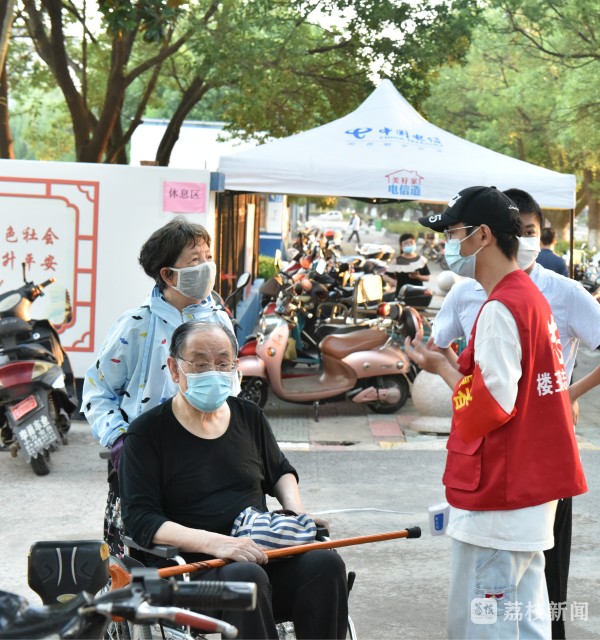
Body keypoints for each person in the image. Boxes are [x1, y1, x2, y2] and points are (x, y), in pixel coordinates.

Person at [405, 186, 587, 639]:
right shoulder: (529, 296)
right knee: (525, 621)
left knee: (486, 625)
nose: (448, 245)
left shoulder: (501, 307)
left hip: (499, 500)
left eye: (453, 234)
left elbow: (492, 405)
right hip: (524, 499)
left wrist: (442, 370)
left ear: (482, 235)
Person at [119, 321, 349, 640]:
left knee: (325, 564)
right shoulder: (146, 434)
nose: (213, 372)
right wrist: (219, 544)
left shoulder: (248, 416)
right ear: (174, 368)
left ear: (234, 367)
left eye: (223, 363)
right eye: (200, 364)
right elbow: (141, 520)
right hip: (188, 575)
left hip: (259, 556)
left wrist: (297, 513)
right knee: (246, 578)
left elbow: (280, 471)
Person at [82, 216, 236, 557]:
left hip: (208, 459)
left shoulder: (220, 321)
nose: (207, 267)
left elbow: (231, 388)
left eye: (208, 257)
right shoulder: (136, 326)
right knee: (146, 557)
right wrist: (121, 441)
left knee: (212, 553)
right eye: (195, 260)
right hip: (146, 462)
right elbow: (97, 392)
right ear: (168, 274)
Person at [382, 232, 430, 298]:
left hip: (418, 295)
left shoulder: (421, 260)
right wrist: (393, 281)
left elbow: (427, 278)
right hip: (401, 295)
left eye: (411, 242)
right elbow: (385, 276)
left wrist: (418, 277)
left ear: (415, 244)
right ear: (401, 246)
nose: (409, 245)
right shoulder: (396, 261)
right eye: (406, 243)